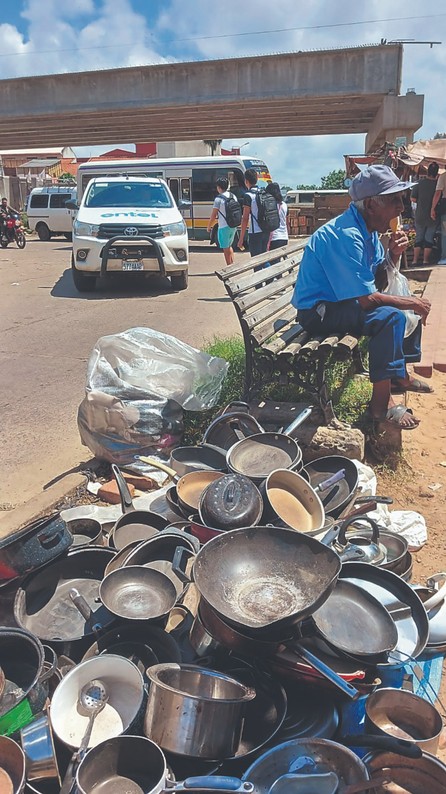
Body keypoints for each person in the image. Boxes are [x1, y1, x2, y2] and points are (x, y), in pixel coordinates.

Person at [291, 164, 432, 431]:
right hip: (319, 312)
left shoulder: (368, 232)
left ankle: (400, 375)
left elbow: (378, 280)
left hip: (342, 302)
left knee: (404, 303)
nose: (401, 207)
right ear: (370, 205)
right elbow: (368, 300)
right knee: (392, 314)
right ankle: (381, 405)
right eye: (394, 200)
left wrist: (393, 255)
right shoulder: (346, 236)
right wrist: (413, 303)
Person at [411, 162, 439, 265]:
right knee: (429, 239)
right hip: (434, 216)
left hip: (420, 215)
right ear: (436, 173)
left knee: (419, 238)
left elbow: (413, 199)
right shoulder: (437, 185)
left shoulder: (419, 183)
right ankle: (425, 260)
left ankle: (414, 261)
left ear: (428, 171)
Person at [237, 168, 269, 259]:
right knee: (264, 258)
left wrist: (241, 238)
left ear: (246, 181)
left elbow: (245, 218)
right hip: (266, 230)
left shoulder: (248, 196)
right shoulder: (264, 193)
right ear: (257, 179)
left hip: (255, 232)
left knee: (256, 261)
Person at [207, 177, 237, 266]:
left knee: (225, 248)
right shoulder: (233, 196)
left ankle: (229, 267)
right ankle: (232, 265)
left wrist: (209, 226)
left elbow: (213, 215)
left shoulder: (218, 199)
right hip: (233, 225)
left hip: (223, 226)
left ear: (219, 187)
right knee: (229, 246)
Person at [265, 182, 289, 251]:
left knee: (273, 261)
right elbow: (287, 222)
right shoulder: (284, 205)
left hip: (274, 238)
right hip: (284, 237)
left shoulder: (270, 205)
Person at [431, 166, 446, 265]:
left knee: (445, 233)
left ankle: (444, 257)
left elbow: (437, 193)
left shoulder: (443, 176)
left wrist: (433, 208)